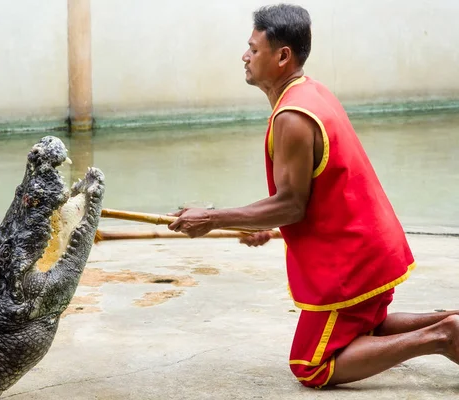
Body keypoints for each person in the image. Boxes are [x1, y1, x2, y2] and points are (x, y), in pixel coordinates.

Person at [167, 3, 459, 389]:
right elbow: (314, 193)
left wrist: (212, 218)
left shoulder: (292, 116)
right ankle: (452, 321)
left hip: (354, 258)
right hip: (372, 243)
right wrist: (264, 224)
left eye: (254, 49)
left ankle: (441, 337)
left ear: (282, 56)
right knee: (364, 323)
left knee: (313, 365)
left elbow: (291, 204)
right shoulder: (311, 91)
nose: (245, 56)